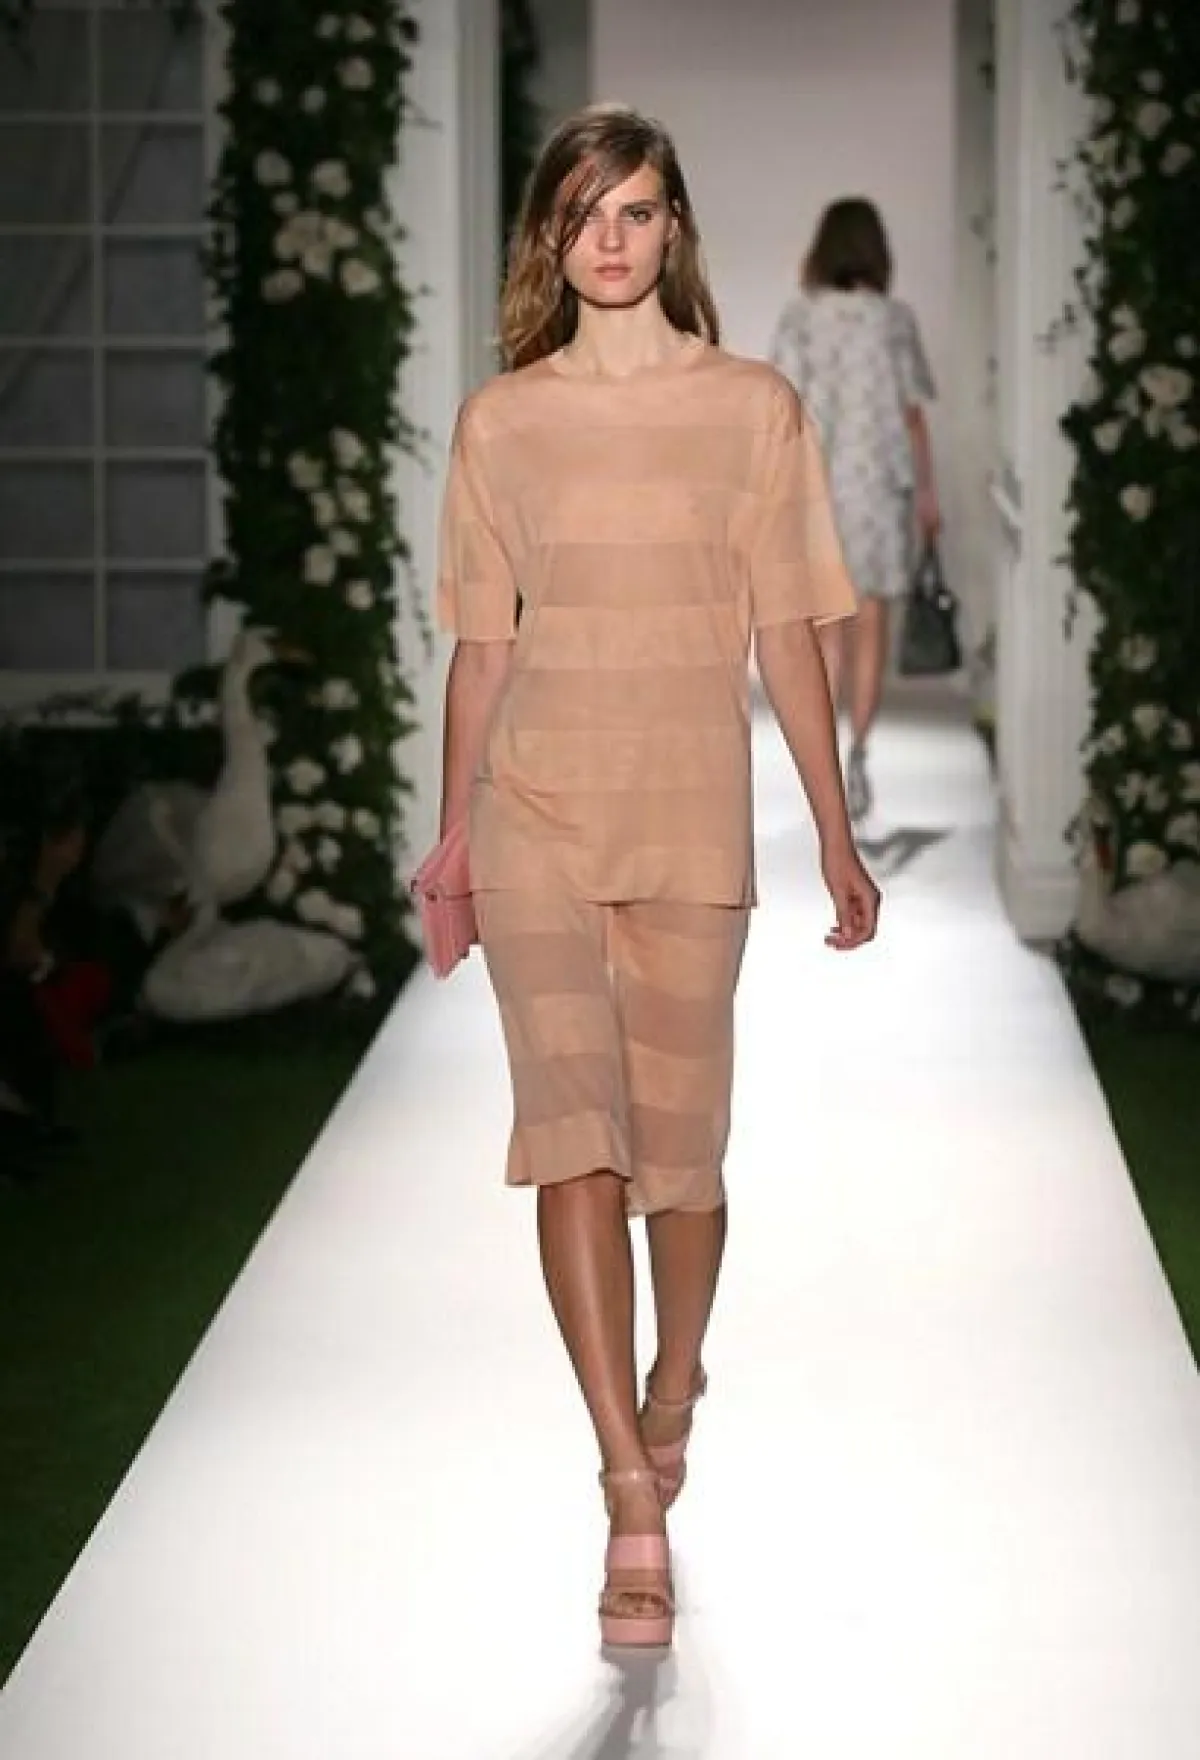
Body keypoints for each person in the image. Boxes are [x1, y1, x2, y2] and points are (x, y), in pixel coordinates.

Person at [434, 105, 879, 1651]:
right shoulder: (502, 423)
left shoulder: (754, 410)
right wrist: (453, 836)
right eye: (583, 215)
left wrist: (833, 829)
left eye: (634, 211)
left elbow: (790, 634)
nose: (609, 240)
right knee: (575, 1144)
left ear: (674, 225)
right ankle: (628, 1487)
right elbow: (480, 649)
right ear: (549, 239)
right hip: (536, 822)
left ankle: (676, 1379)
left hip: (691, 820)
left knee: (680, 1166)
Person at [770, 197, 942, 822]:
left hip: (818, 490)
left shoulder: (801, 318)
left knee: (827, 633)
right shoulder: (894, 320)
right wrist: (928, 496)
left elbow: (782, 407)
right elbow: (913, 415)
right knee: (871, 628)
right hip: (880, 493)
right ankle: (859, 753)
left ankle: (825, 764)